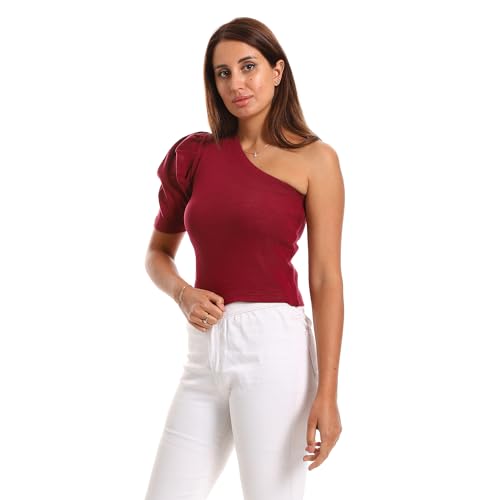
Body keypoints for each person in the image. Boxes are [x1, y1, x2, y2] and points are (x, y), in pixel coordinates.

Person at [143, 16, 345, 500]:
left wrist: (329, 392)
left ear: (277, 70)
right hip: (203, 354)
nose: (237, 83)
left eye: (248, 66)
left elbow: (325, 279)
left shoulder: (316, 160)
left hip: (272, 350)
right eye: (223, 72)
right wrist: (183, 294)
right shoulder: (194, 156)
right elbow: (157, 254)